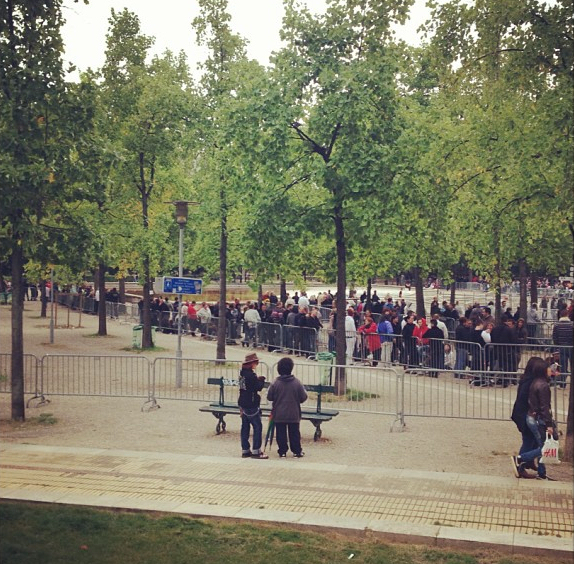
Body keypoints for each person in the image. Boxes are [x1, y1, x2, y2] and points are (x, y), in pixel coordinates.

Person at [510, 357, 556, 480]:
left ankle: (530, 464)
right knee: (533, 442)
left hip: (527, 415)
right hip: (527, 416)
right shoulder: (532, 383)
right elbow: (538, 403)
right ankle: (521, 462)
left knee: (532, 441)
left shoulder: (529, 380)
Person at [266, 357, 308, 458]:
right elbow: (303, 397)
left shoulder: (275, 383)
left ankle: (282, 451)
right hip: (294, 413)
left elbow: (269, 397)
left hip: (279, 413)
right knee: (294, 433)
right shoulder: (297, 383)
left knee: (281, 433)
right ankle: (297, 451)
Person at [238, 353, 268, 459]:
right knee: (257, 426)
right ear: (251, 364)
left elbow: (244, 387)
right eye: (256, 362)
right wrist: (261, 380)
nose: (257, 364)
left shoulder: (242, 374)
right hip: (251, 403)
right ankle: (256, 451)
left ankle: (245, 450)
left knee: (245, 427)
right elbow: (257, 388)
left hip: (243, 402)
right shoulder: (251, 375)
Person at [552, 309, 573, 388]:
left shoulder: (557, 325)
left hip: (561, 347)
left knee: (562, 366)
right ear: (567, 315)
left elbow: (554, 337)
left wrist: (557, 345)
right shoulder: (572, 324)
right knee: (572, 365)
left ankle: (562, 383)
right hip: (571, 347)